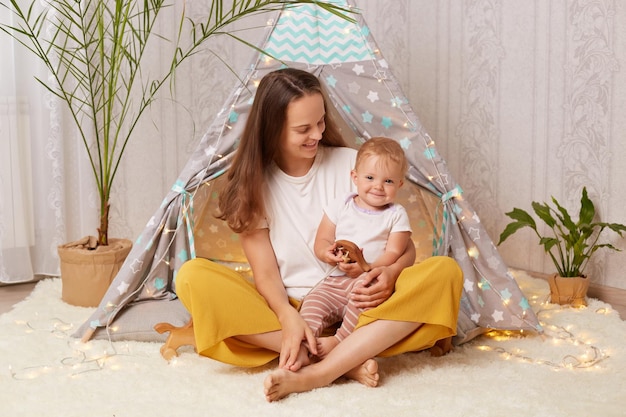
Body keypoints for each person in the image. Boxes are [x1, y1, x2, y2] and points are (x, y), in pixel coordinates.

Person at [174, 67, 463, 402]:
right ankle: (338, 357)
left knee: (445, 272)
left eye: (320, 122)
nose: (316, 133)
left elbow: (405, 248)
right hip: (291, 310)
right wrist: (288, 318)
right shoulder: (253, 187)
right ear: (273, 129)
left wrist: (390, 273)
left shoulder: (352, 165)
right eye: (303, 129)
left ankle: (319, 371)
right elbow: (265, 275)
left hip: (364, 304)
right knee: (193, 277)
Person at [301, 137, 412, 358]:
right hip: (334, 280)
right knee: (312, 301)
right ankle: (306, 343)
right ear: (355, 177)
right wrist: (327, 253)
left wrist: (367, 266)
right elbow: (322, 239)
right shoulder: (342, 204)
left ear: (399, 184)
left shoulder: (396, 214)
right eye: (370, 178)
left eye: (388, 181)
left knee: (366, 302)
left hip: (365, 282)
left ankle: (339, 341)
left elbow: (393, 252)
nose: (378, 186)